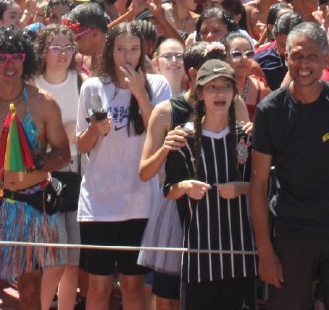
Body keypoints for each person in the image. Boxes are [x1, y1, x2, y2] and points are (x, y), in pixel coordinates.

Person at [250, 22, 329, 310]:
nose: (304, 64)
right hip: (291, 232)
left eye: (311, 57)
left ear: (324, 59)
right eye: (297, 56)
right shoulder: (270, 111)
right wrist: (265, 252)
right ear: (286, 59)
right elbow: (258, 185)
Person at [0, 26, 71, 310]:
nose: (10, 64)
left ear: (26, 60)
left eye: (16, 57)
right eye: (2, 58)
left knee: (30, 291)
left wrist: (39, 163)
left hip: (32, 205)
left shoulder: (44, 103)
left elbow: (64, 153)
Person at [75, 23, 172, 310]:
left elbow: (161, 133)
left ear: (143, 51)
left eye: (133, 49)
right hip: (98, 203)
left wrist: (140, 94)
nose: (127, 56)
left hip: (141, 202)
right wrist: (95, 130)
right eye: (120, 49)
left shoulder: (158, 85)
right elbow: (82, 145)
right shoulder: (93, 86)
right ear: (110, 51)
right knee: (98, 286)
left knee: (132, 285)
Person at [163, 59, 257, 309]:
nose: (219, 93)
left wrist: (242, 188)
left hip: (240, 252)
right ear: (199, 94)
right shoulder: (183, 139)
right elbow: (168, 190)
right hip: (199, 254)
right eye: (212, 87)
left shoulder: (247, 137)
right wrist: (183, 187)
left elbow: (263, 185)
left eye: (226, 86)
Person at [33, 24, 83, 310]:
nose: (63, 54)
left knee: (73, 262)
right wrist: (64, 131)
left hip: (78, 173)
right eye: (55, 47)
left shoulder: (81, 82)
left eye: (68, 47)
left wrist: (65, 131)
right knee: (55, 261)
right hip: (45, 177)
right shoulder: (32, 85)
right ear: (42, 51)